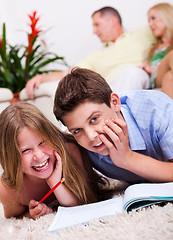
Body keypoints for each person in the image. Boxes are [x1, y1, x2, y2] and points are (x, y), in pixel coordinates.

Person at [53, 67, 173, 184]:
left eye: (94, 119)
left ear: (115, 103)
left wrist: (128, 159)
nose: (91, 136)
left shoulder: (158, 112)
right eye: (78, 130)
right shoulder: (76, 142)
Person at [0, 101, 108, 219]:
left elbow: (85, 204)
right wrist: (31, 215)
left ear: (51, 137)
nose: (39, 156)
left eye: (42, 142)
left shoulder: (71, 151)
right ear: (10, 157)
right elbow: (13, 218)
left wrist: (55, 184)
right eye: (25, 150)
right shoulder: (9, 189)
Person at [25, 6, 154, 99]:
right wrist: (41, 78)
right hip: (110, 90)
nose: (94, 31)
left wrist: (154, 64)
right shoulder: (96, 55)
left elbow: (167, 29)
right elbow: (70, 72)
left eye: (97, 24)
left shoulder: (142, 34)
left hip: (136, 77)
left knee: (132, 72)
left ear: (113, 21)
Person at [140, 3, 173, 89]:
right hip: (155, 79)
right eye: (149, 21)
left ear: (167, 17)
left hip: (167, 83)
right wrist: (146, 69)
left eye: (153, 18)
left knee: (169, 77)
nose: (150, 24)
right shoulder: (150, 51)